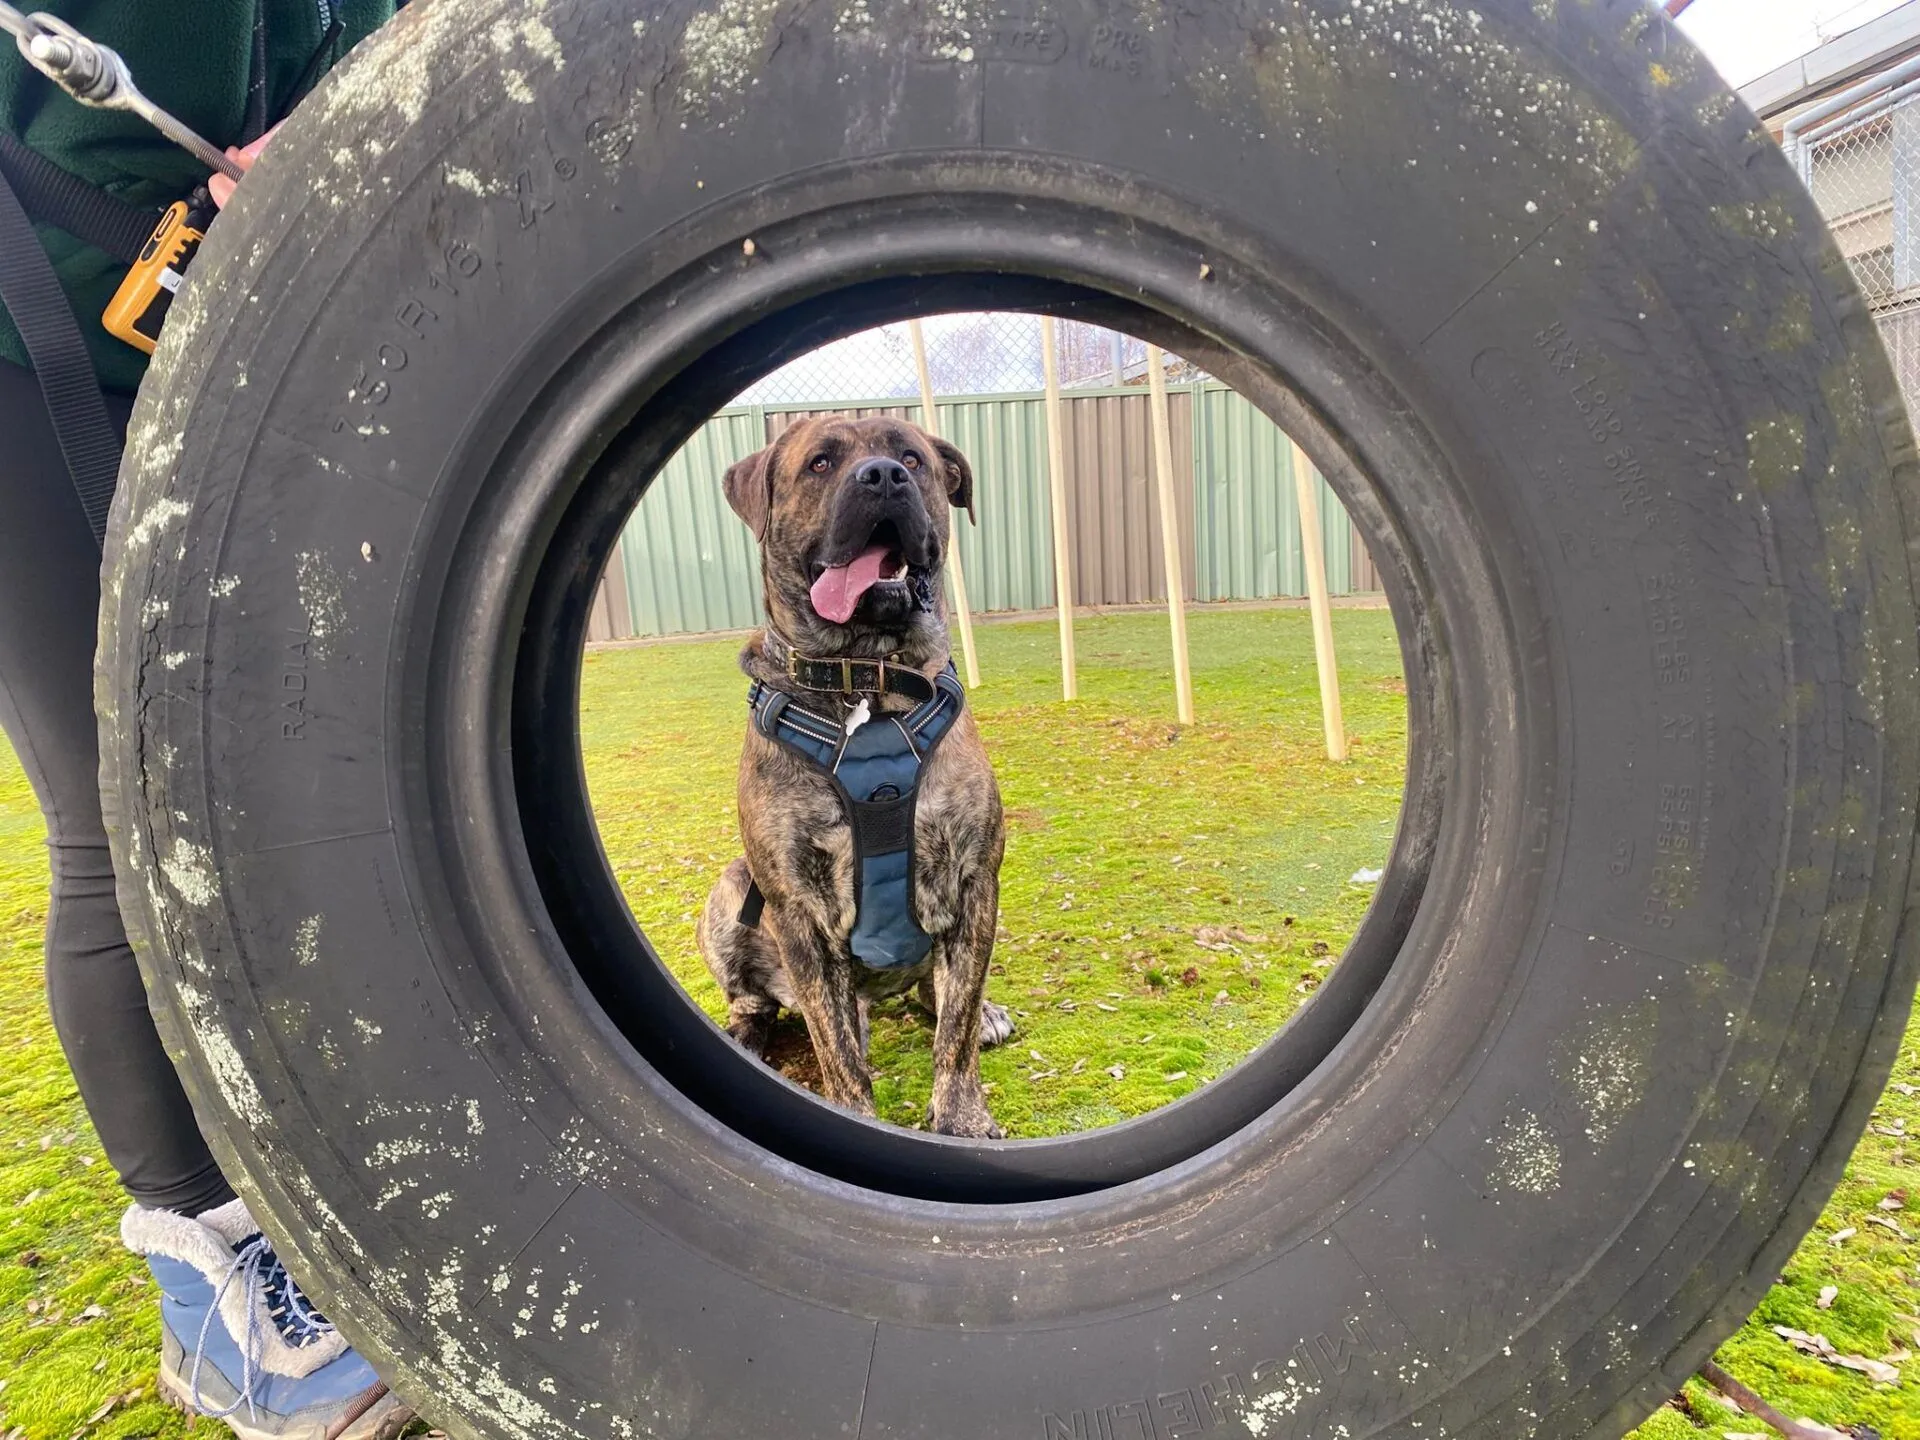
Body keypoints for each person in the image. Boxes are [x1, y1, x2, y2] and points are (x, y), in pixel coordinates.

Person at [0, 5, 408, 1436]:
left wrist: (328, 136)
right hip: (19, 335)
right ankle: (211, 1306)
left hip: (226, 346)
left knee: (292, 797)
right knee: (117, 824)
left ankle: (313, 1201)